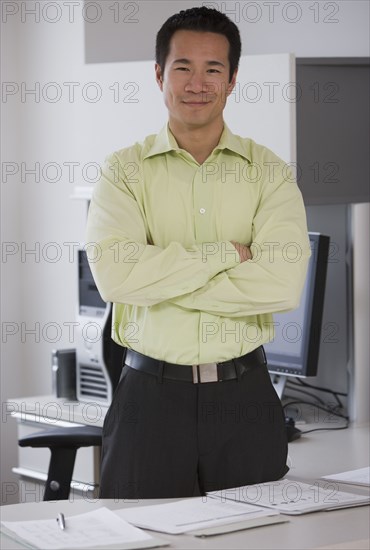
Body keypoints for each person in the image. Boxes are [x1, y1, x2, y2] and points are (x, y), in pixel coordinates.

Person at [85, 6, 311, 499]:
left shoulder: (268, 172)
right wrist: (227, 254)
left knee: (257, 538)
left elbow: (281, 285)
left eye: (214, 70)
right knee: (139, 535)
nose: (197, 83)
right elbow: (117, 280)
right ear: (159, 74)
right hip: (149, 400)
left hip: (245, 397)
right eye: (183, 67)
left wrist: (161, 284)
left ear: (231, 82)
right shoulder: (123, 172)